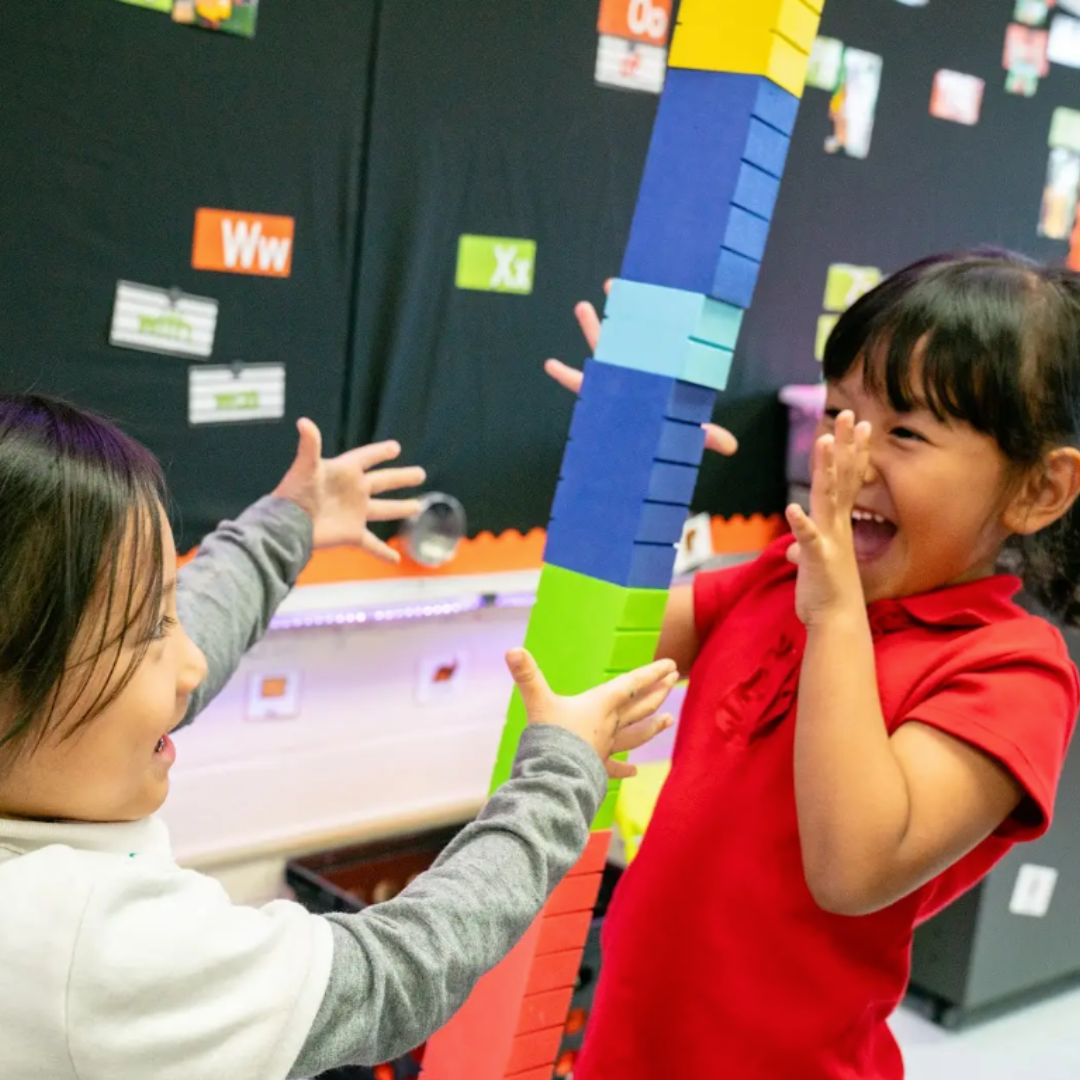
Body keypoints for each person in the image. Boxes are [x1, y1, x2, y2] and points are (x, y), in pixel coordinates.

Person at [0, 394, 679, 1080]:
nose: (191, 662)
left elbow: (163, 653)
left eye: (168, 605)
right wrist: (558, 779)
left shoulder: (42, 773)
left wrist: (285, 524)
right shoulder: (77, 945)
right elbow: (393, 975)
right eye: (146, 628)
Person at [548, 250, 1080, 1079]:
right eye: (840, 415)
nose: (850, 459)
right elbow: (584, 652)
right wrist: (619, 466)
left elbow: (855, 867)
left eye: (905, 432)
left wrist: (834, 615)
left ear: (1037, 491)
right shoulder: (781, 575)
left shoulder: (1009, 671)